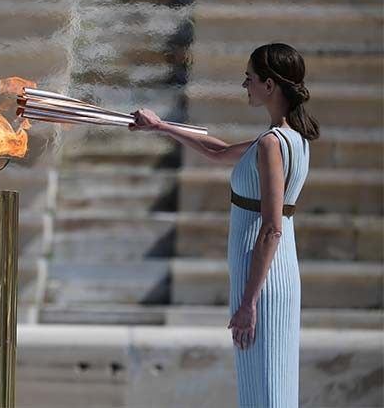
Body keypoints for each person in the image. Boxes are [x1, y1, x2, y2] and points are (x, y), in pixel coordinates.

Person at [130, 43, 319, 406]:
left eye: (249, 79)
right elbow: (217, 151)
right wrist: (160, 126)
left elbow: (272, 228)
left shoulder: (271, 144)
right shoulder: (291, 140)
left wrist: (249, 301)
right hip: (272, 278)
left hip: (261, 283)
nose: (244, 86)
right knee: (269, 390)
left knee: (265, 393)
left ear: (270, 86)